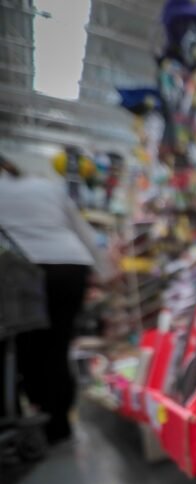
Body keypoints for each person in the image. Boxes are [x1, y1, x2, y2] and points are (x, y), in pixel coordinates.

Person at [0, 154, 115, 444]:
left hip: (23, 270)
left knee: (25, 348)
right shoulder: (46, 187)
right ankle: (59, 423)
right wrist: (106, 271)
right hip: (70, 265)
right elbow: (83, 232)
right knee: (57, 345)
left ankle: (37, 414)